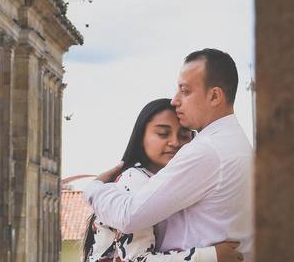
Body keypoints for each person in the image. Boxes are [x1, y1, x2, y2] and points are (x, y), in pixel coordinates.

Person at [85, 49, 254, 261]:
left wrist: (93, 189)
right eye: (162, 133)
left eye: (185, 91)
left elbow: (130, 216)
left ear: (214, 96)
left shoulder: (207, 150)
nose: (175, 100)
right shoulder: (240, 146)